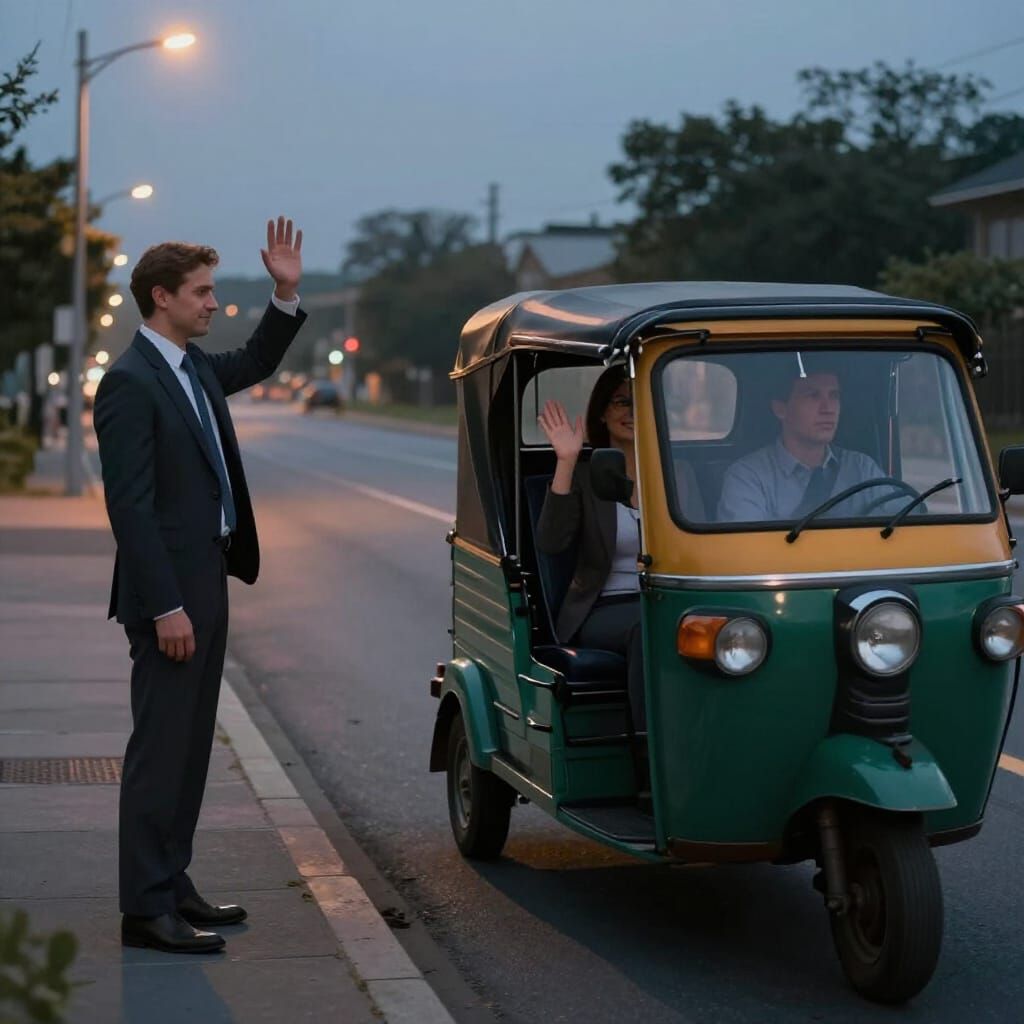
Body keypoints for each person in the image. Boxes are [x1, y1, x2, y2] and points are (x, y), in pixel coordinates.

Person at [93, 218, 306, 954]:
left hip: (206, 580)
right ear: (162, 297)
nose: (214, 303)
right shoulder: (129, 382)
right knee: (161, 748)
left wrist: (285, 293)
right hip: (170, 597)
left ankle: (172, 883)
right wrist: (166, 607)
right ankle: (144, 908)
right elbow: (131, 508)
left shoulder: (190, 368)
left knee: (189, 750)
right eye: (203, 292)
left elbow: (256, 359)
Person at [535, 366, 705, 734]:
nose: (631, 413)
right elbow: (551, 542)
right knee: (648, 630)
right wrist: (566, 460)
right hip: (607, 605)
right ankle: (652, 753)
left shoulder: (679, 473)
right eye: (621, 402)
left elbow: (702, 548)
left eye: (640, 402)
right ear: (602, 412)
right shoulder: (582, 474)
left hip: (672, 600)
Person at [717, 364, 897, 523]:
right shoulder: (748, 477)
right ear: (781, 409)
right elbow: (748, 552)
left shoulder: (861, 469)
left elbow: (904, 523)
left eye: (834, 396)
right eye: (813, 396)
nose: (828, 409)